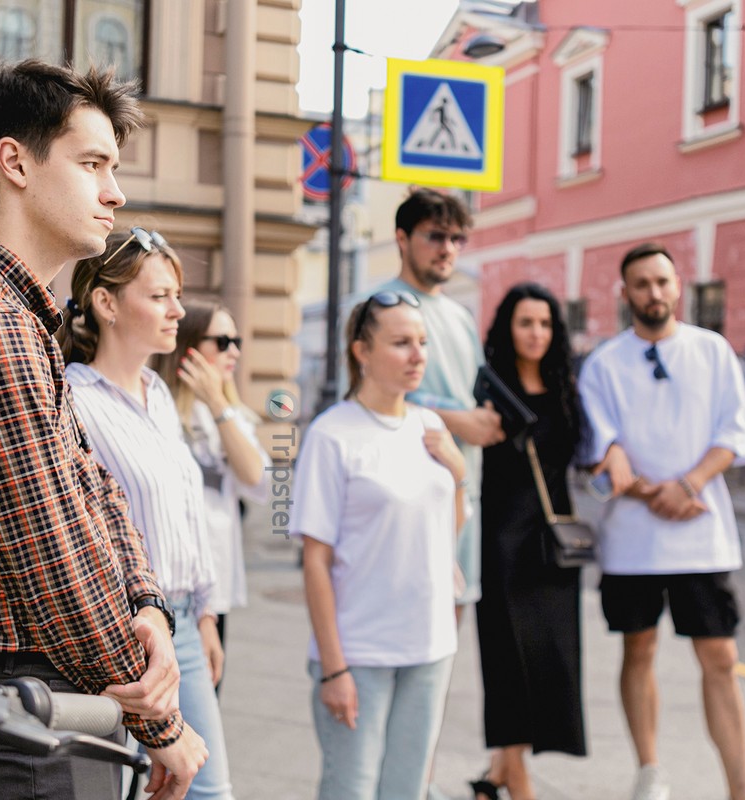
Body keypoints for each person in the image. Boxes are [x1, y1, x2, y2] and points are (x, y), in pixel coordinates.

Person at [0, 60, 206, 799]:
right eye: (92, 164)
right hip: (14, 726)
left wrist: (148, 603)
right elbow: (50, 557)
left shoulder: (13, 320)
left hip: (24, 710)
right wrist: (163, 726)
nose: (113, 191)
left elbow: (96, 493)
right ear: (15, 162)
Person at [578, 242, 745, 800]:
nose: (653, 293)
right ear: (626, 293)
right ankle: (650, 771)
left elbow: (734, 435)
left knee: (721, 657)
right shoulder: (603, 364)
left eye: (662, 281)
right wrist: (648, 491)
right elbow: (600, 447)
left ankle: (743, 787)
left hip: (700, 534)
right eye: (641, 284)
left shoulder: (713, 351)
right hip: (631, 537)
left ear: (677, 285)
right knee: (638, 650)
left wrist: (687, 486)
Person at [58, 229, 235, 800]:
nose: (177, 310)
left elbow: (187, 514)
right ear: (106, 304)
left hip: (181, 622)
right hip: (122, 637)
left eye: (176, 294)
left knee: (208, 789)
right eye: (160, 296)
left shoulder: (158, 392)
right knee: (128, 790)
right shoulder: (74, 398)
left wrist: (205, 616)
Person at [291, 292, 466, 800]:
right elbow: (315, 562)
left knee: (408, 789)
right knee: (353, 790)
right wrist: (334, 667)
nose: (418, 356)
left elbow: (444, 535)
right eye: (401, 343)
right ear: (362, 351)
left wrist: (457, 473)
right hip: (360, 651)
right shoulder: (332, 436)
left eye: (422, 343)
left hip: (430, 646)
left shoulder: (431, 427)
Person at [472, 283, 587, 800]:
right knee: (506, 662)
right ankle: (518, 784)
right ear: (507, 328)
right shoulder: (487, 389)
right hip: (500, 544)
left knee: (550, 663)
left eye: (545, 323)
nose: (536, 333)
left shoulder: (565, 384)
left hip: (552, 549)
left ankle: (498, 772)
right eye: (526, 323)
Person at [373, 188, 503, 614]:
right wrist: (456, 420)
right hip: (399, 494)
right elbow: (363, 397)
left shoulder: (460, 316)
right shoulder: (376, 306)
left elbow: (474, 392)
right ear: (401, 238)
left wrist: (484, 418)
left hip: (462, 490)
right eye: (434, 236)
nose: (447, 249)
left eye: (456, 239)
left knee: (452, 616)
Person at [154, 299, 270, 671]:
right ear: (190, 346)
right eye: (221, 341)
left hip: (213, 585)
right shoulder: (159, 405)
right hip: (164, 584)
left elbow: (259, 482)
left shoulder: (231, 415)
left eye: (236, 341)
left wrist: (219, 404)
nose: (233, 351)